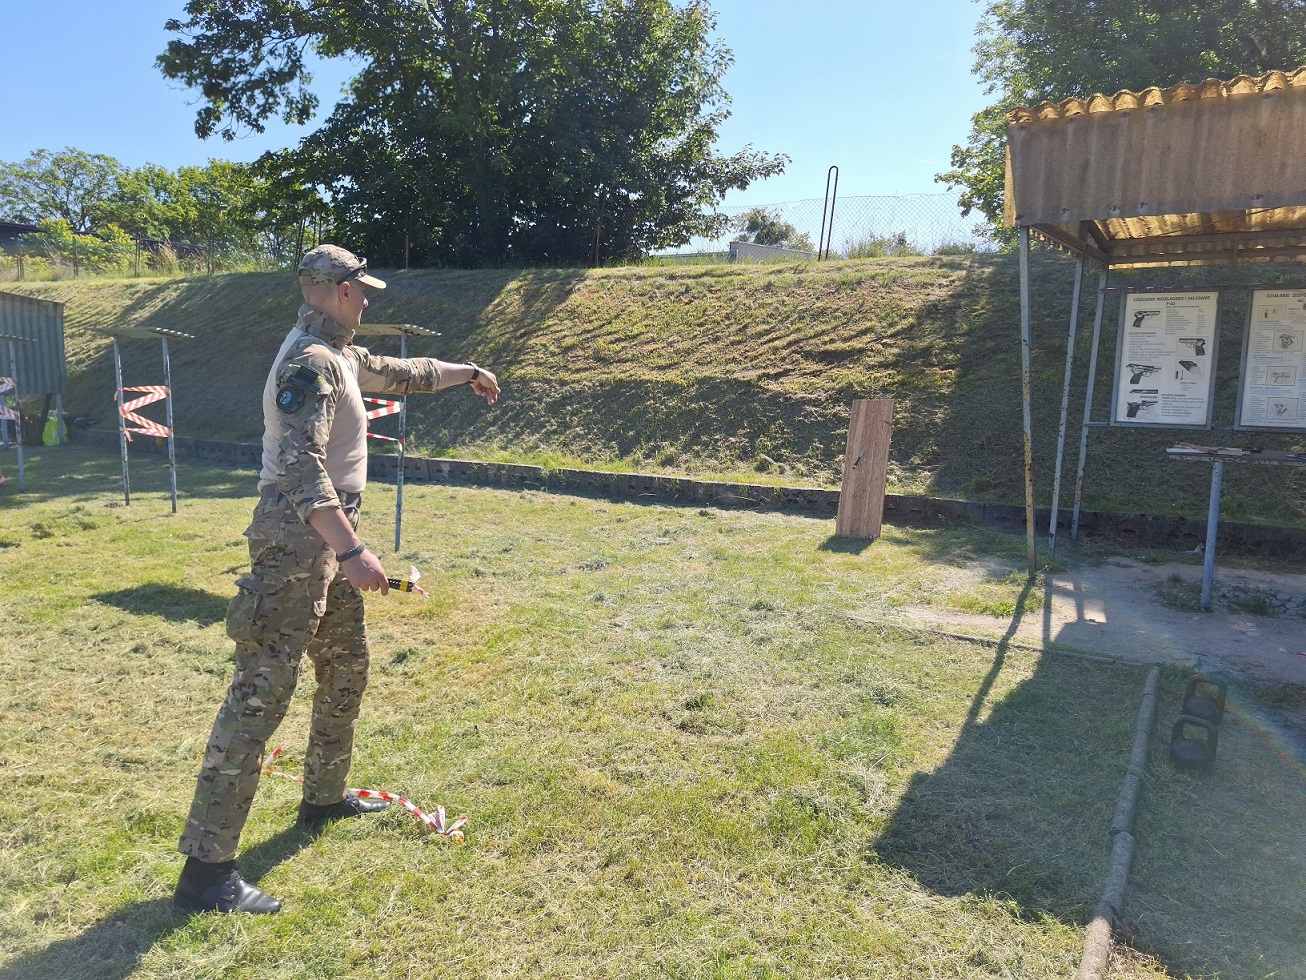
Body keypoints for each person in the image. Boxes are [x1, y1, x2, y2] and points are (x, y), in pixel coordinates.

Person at [174, 244, 499, 914]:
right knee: (260, 696)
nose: (368, 300)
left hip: (328, 531)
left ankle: (322, 798)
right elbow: (299, 466)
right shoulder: (311, 360)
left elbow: (400, 372)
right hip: (300, 537)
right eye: (362, 290)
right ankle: (206, 876)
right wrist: (351, 553)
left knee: (346, 667)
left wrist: (468, 371)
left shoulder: (341, 356)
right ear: (340, 290)